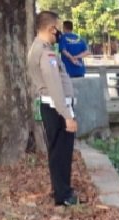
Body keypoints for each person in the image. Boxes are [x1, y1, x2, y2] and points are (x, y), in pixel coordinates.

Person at [27, 11, 78, 206]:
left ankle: (61, 190)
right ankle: (63, 196)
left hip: (53, 106)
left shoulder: (38, 48)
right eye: (57, 28)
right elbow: (54, 85)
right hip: (57, 109)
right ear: (51, 29)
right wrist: (67, 115)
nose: (59, 34)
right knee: (61, 153)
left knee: (58, 152)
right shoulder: (46, 52)